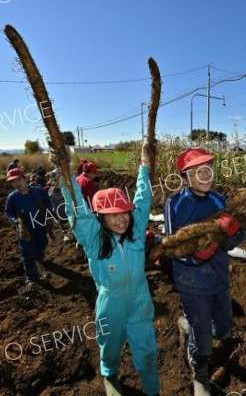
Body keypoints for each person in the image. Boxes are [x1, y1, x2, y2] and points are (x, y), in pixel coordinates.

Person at [51, 143, 160, 396]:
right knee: (110, 345)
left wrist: (145, 164)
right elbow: (76, 208)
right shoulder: (93, 239)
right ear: (100, 216)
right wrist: (65, 170)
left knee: (147, 350)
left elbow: (143, 198)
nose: (121, 218)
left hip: (140, 299)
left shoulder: (135, 233)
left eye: (124, 213)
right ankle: (109, 373)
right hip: (111, 303)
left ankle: (152, 389)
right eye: (113, 214)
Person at [164, 147, 246, 396]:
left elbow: (235, 239)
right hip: (191, 280)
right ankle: (199, 371)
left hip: (219, 276)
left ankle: (188, 325)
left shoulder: (219, 199)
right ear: (186, 176)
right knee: (203, 340)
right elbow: (171, 247)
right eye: (199, 171)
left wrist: (233, 232)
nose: (206, 175)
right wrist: (196, 256)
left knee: (223, 329)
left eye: (209, 169)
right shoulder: (174, 204)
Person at [4, 168, 54, 285]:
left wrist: (50, 212)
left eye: (18, 180)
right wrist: (15, 220)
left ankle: (39, 256)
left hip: (40, 224)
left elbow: (48, 202)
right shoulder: (13, 197)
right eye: (13, 182)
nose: (16, 184)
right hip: (24, 229)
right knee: (27, 252)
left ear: (25, 178)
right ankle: (32, 278)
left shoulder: (38, 192)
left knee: (42, 243)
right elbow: (9, 212)